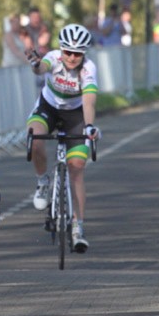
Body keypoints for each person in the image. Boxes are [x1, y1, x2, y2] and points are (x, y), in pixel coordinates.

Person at [26, 23, 100, 253]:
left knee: (76, 168)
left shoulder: (88, 69)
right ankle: (42, 183)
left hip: (76, 115)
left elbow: (89, 101)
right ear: (61, 50)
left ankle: (78, 226)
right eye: (68, 52)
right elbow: (40, 68)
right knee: (35, 138)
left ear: (84, 54)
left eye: (77, 53)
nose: (71, 57)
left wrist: (88, 127)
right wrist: (36, 64)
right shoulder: (54, 58)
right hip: (49, 108)